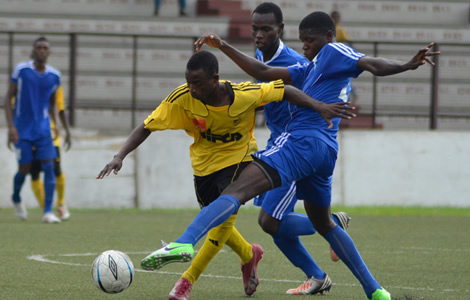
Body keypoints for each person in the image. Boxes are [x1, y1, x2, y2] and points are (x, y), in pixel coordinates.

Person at [142, 11, 439, 300]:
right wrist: (223, 46)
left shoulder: (334, 51)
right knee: (323, 224)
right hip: (324, 152)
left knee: (236, 190)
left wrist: (405, 65)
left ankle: (183, 243)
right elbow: (262, 73)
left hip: (301, 143)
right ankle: (375, 291)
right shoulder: (308, 68)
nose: (305, 46)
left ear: (327, 36)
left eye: (309, 40)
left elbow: (371, 63)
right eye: (302, 40)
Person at [97, 50, 354, 299]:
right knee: (215, 219)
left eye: (197, 83)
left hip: (240, 163)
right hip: (204, 168)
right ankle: (248, 253)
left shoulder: (242, 94)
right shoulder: (182, 98)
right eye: (188, 83)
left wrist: (318, 105)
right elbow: (146, 126)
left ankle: (186, 281)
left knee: (224, 219)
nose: (192, 89)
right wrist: (119, 156)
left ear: (215, 78)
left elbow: (283, 89)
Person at [250, 2, 351, 295]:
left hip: (295, 148)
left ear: (280, 31)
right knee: (273, 225)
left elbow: (318, 105)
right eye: (255, 28)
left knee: (270, 221)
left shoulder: (295, 63)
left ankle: (332, 225)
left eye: (265, 29)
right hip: (276, 144)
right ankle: (317, 276)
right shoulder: (260, 56)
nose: (259, 34)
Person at [4, 36, 62, 223]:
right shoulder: (22, 71)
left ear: (49, 52)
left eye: (45, 48)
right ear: (34, 50)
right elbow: (8, 99)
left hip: (44, 129)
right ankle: (16, 197)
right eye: (39, 47)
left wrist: (57, 123)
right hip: (22, 129)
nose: (42, 50)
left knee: (49, 166)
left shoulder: (54, 76)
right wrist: (11, 126)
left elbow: (53, 102)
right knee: (25, 168)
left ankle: (47, 212)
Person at [29, 84, 72, 221]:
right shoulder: (26, 83)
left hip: (51, 134)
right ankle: (46, 209)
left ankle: (60, 203)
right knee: (34, 172)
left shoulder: (53, 82)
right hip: (30, 134)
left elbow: (60, 108)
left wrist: (67, 131)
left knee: (55, 169)